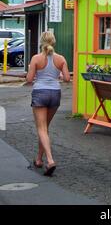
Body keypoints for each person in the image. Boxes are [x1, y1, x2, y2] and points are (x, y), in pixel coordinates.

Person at [26, 31, 70, 176]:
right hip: (55, 94)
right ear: (54, 42)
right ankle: (39, 159)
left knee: (42, 128)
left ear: (41, 42)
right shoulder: (61, 58)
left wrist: (31, 69)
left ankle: (50, 160)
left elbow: (29, 79)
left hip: (40, 93)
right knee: (45, 128)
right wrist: (61, 74)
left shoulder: (36, 58)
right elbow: (67, 79)